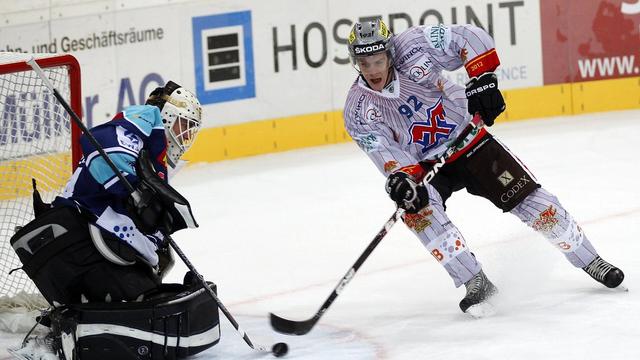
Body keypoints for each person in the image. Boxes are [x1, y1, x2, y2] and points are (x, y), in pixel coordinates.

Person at [343, 19, 625, 317]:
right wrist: (402, 181)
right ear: (354, 62)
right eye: (364, 62)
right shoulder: (358, 110)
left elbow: (469, 36)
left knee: (530, 200)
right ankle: (474, 280)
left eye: (378, 60)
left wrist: (482, 78)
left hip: (468, 138)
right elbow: (385, 153)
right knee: (419, 213)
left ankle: (590, 259)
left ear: (389, 53)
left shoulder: (413, 44)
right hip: (426, 164)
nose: (373, 69)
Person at [9, 81, 220, 359]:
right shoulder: (141, 122)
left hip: (90, 241)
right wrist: (135, 193)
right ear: (167, 115)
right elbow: (100, 152)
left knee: (148, 292)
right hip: (74, 239)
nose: (186, 136)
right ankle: (63, 337)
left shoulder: (156, 156)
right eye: (184, 125)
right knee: (137, 303)